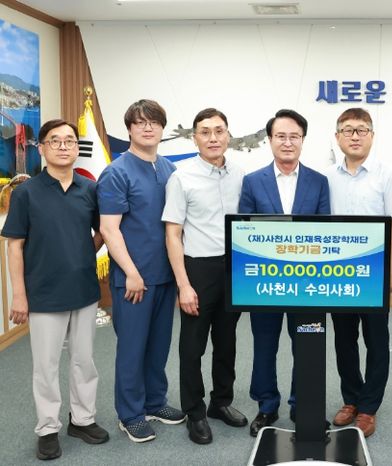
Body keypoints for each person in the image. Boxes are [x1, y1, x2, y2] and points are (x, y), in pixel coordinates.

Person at [2, 119, 109, 460]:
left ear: (77, 148)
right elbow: (15, 246)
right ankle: (47, 428)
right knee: (45, 366)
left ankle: (82, 420)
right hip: (44, 293)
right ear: (42, 147)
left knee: (84, 361)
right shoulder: (26, 193)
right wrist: (20, 295)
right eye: (55, 140)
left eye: (69, 141)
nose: (63, 146)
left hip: (83, 290)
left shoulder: (89, 189)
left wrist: (83, 253)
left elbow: (104, 231)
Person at [97, 99, 185, 443]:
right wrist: (132, 273)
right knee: (132, 349)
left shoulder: (169, 169)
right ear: (129, 129)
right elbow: (109, 229)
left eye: (154, 122)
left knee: (159, 346)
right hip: (133, 279)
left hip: (164, 275)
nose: (148, 128)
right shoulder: (117, 172)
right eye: (140, 122)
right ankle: (130, 414)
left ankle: (154, 402)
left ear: (162, 128)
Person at [238, 108, 330, 437]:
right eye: (281, 136)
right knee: (265, 345)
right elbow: (244, 231)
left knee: (306, 343)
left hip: (308, 283)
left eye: (294, 136)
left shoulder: (319, 181)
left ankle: (302, 404)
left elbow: (325, 233)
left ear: (303, 140)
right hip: (265, 282)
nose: (287, 142)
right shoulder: (253, 181)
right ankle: (267, 405)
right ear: (270, 140)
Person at [162, 108, 248, 444]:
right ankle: (194, 411)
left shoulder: (240, 174)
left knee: (227, 342)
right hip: (198, 268)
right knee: (192, 346)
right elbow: (173, 234)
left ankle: (220, 402)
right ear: (194, 137)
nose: (213, 138)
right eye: (205, 132)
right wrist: (183, 285)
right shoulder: (181, 177)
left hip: (234, 268)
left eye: (219, 131)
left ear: (228, 135)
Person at [324, 108, 392, 438]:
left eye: (361, 130)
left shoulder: (388, 175)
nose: (354, 136)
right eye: (347, 130)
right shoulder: (327, 177)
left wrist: (390, 273)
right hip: (338, 274)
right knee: (344, 340)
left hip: (374, 272)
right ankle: (351, 399)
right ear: (337, 136)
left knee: (376, 340)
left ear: (372, 135)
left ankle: (369, 407)